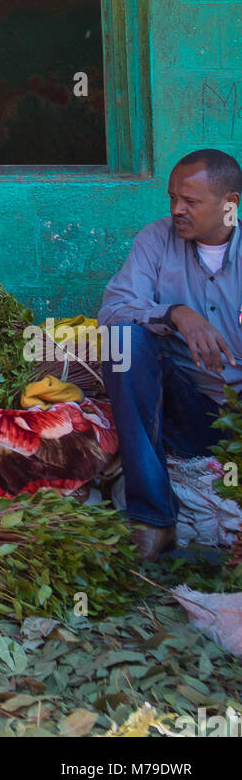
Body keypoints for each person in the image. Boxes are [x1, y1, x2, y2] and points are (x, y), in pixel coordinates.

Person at [97, 148, 242, 558]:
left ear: (229, 204)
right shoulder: (156, 240)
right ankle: (154, 519)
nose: (177, 209)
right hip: (186, 411)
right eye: (173, 198)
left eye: (190, 201)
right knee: (124, 339)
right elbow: (113, 310)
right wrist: (175, 314)